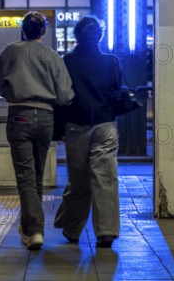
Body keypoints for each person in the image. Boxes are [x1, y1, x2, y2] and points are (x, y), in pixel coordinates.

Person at [0, 11, 74, 250]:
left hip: (19, 114)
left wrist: (13, 95)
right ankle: (31, 228)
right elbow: (66, 94)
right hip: (46, 117)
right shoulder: (52, 56)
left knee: (25, 176)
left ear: (23, 30)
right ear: (43, 32)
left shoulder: (10, 51)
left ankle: (35, 229)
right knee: (37, 174)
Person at [53, 16, 122, 248]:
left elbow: (60, 96)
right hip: (105, 124)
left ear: (76, 36)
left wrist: (58, 128)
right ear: (100, 36)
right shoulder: (111, 61)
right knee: (105, 178)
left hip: (76, 125)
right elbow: (117, 90)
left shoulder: (68, 62)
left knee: (79, 179)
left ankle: (72, 228)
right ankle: (106, 231)